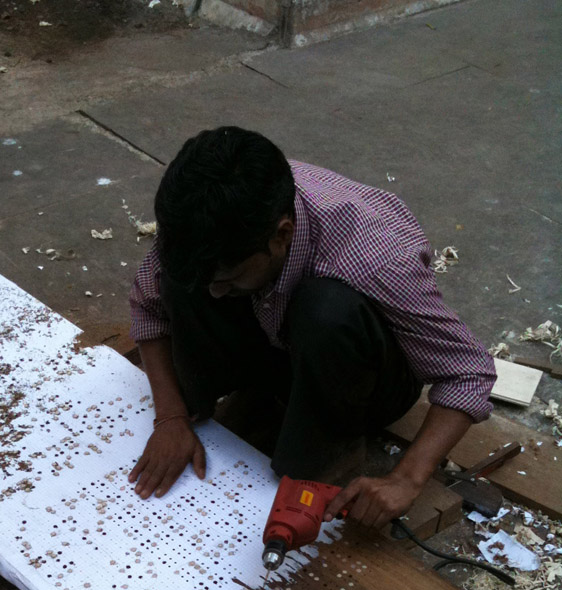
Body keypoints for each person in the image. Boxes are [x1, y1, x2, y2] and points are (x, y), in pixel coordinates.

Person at [127, 126, 495, 529]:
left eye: (228, 278)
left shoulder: (373, 256)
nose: (215, 294)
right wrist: (171, 417)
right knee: (186, 282)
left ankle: (330, 447)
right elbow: (149, 304)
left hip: (361, 371)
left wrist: (406, 477)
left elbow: (469, 370)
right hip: (276, 333)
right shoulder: (208, 219)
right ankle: (250, 391)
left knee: (326, 310)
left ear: (282, 235)